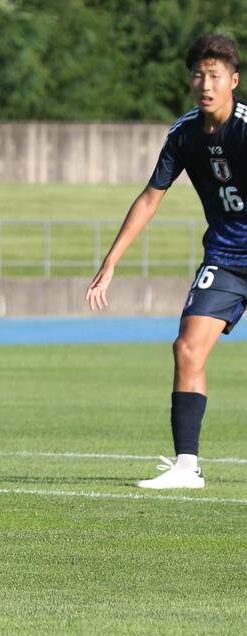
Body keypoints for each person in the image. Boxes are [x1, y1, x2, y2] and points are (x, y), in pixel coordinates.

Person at [86, 34, 245, 490]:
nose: (205, 83)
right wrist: (111, 261)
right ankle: (186, 467)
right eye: (198, 75)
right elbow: (150, 198)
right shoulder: (184, 133)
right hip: (225, 257)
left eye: (215, 75)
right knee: (187, 347)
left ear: (233, 80)